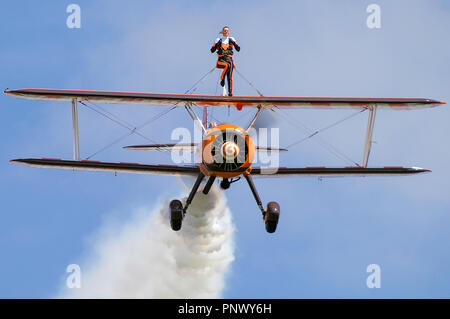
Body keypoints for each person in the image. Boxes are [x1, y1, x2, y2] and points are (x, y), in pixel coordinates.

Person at [210, 26, 240, 96]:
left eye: (227, 30)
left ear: (228, 32)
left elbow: (238, 49)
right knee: (227, 65)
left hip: (229, 59)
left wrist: (235, 44)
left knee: (229, 75)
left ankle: (230, 92)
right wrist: (216, 44)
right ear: (222, 32)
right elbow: (212, 50)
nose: (226, 31)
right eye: (224, 30)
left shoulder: (231, 39)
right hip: (221, 60)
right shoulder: (218, 40)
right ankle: (222, 78)